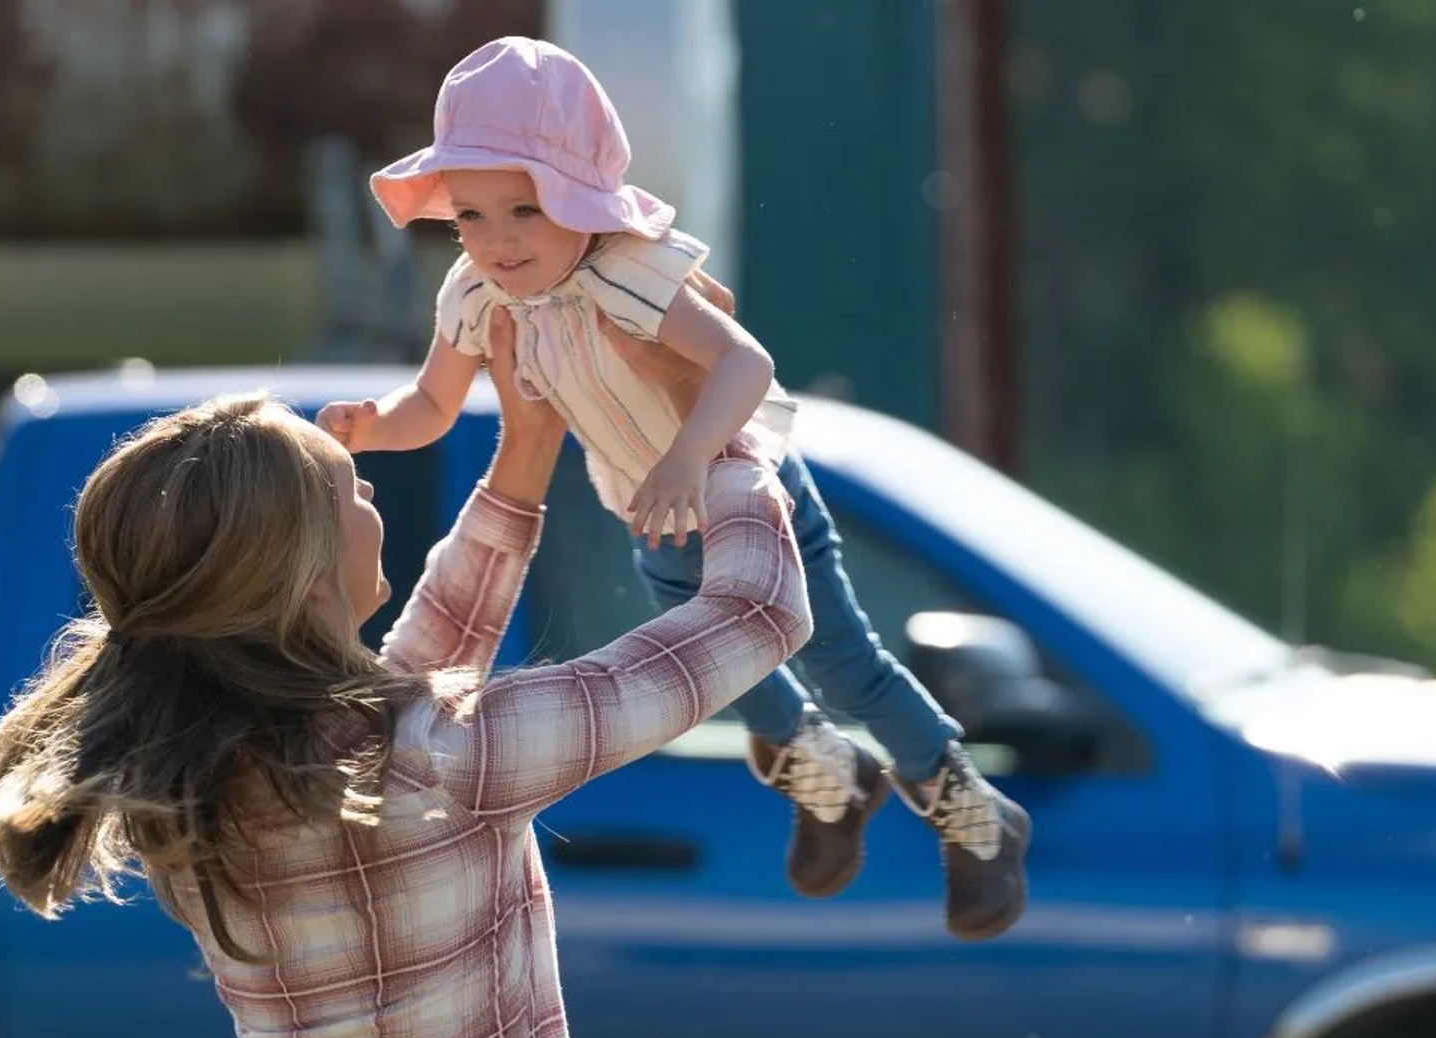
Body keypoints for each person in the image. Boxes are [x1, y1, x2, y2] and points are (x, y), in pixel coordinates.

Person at [0, 303, 811, 1038]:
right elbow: (761, 611)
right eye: (352, 489)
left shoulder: (193, 786)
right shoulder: (442, 755)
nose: (373, 498)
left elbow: (401, 690)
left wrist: (523, 456)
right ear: (306, 567)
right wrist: (710, 421)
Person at [317, 35, 1030, 940]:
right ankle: (828, 773)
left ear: (581, 201)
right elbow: (434, 400)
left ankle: (970, 806)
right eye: (472, 215)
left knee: (840, 661)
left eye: (525, 210)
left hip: (742, 488)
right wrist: (375, 425)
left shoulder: (625, 269)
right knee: (717, 672)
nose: (497, 241)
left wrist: (692, 453)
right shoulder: (478, 294)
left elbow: (742, 360)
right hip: (651, 510)